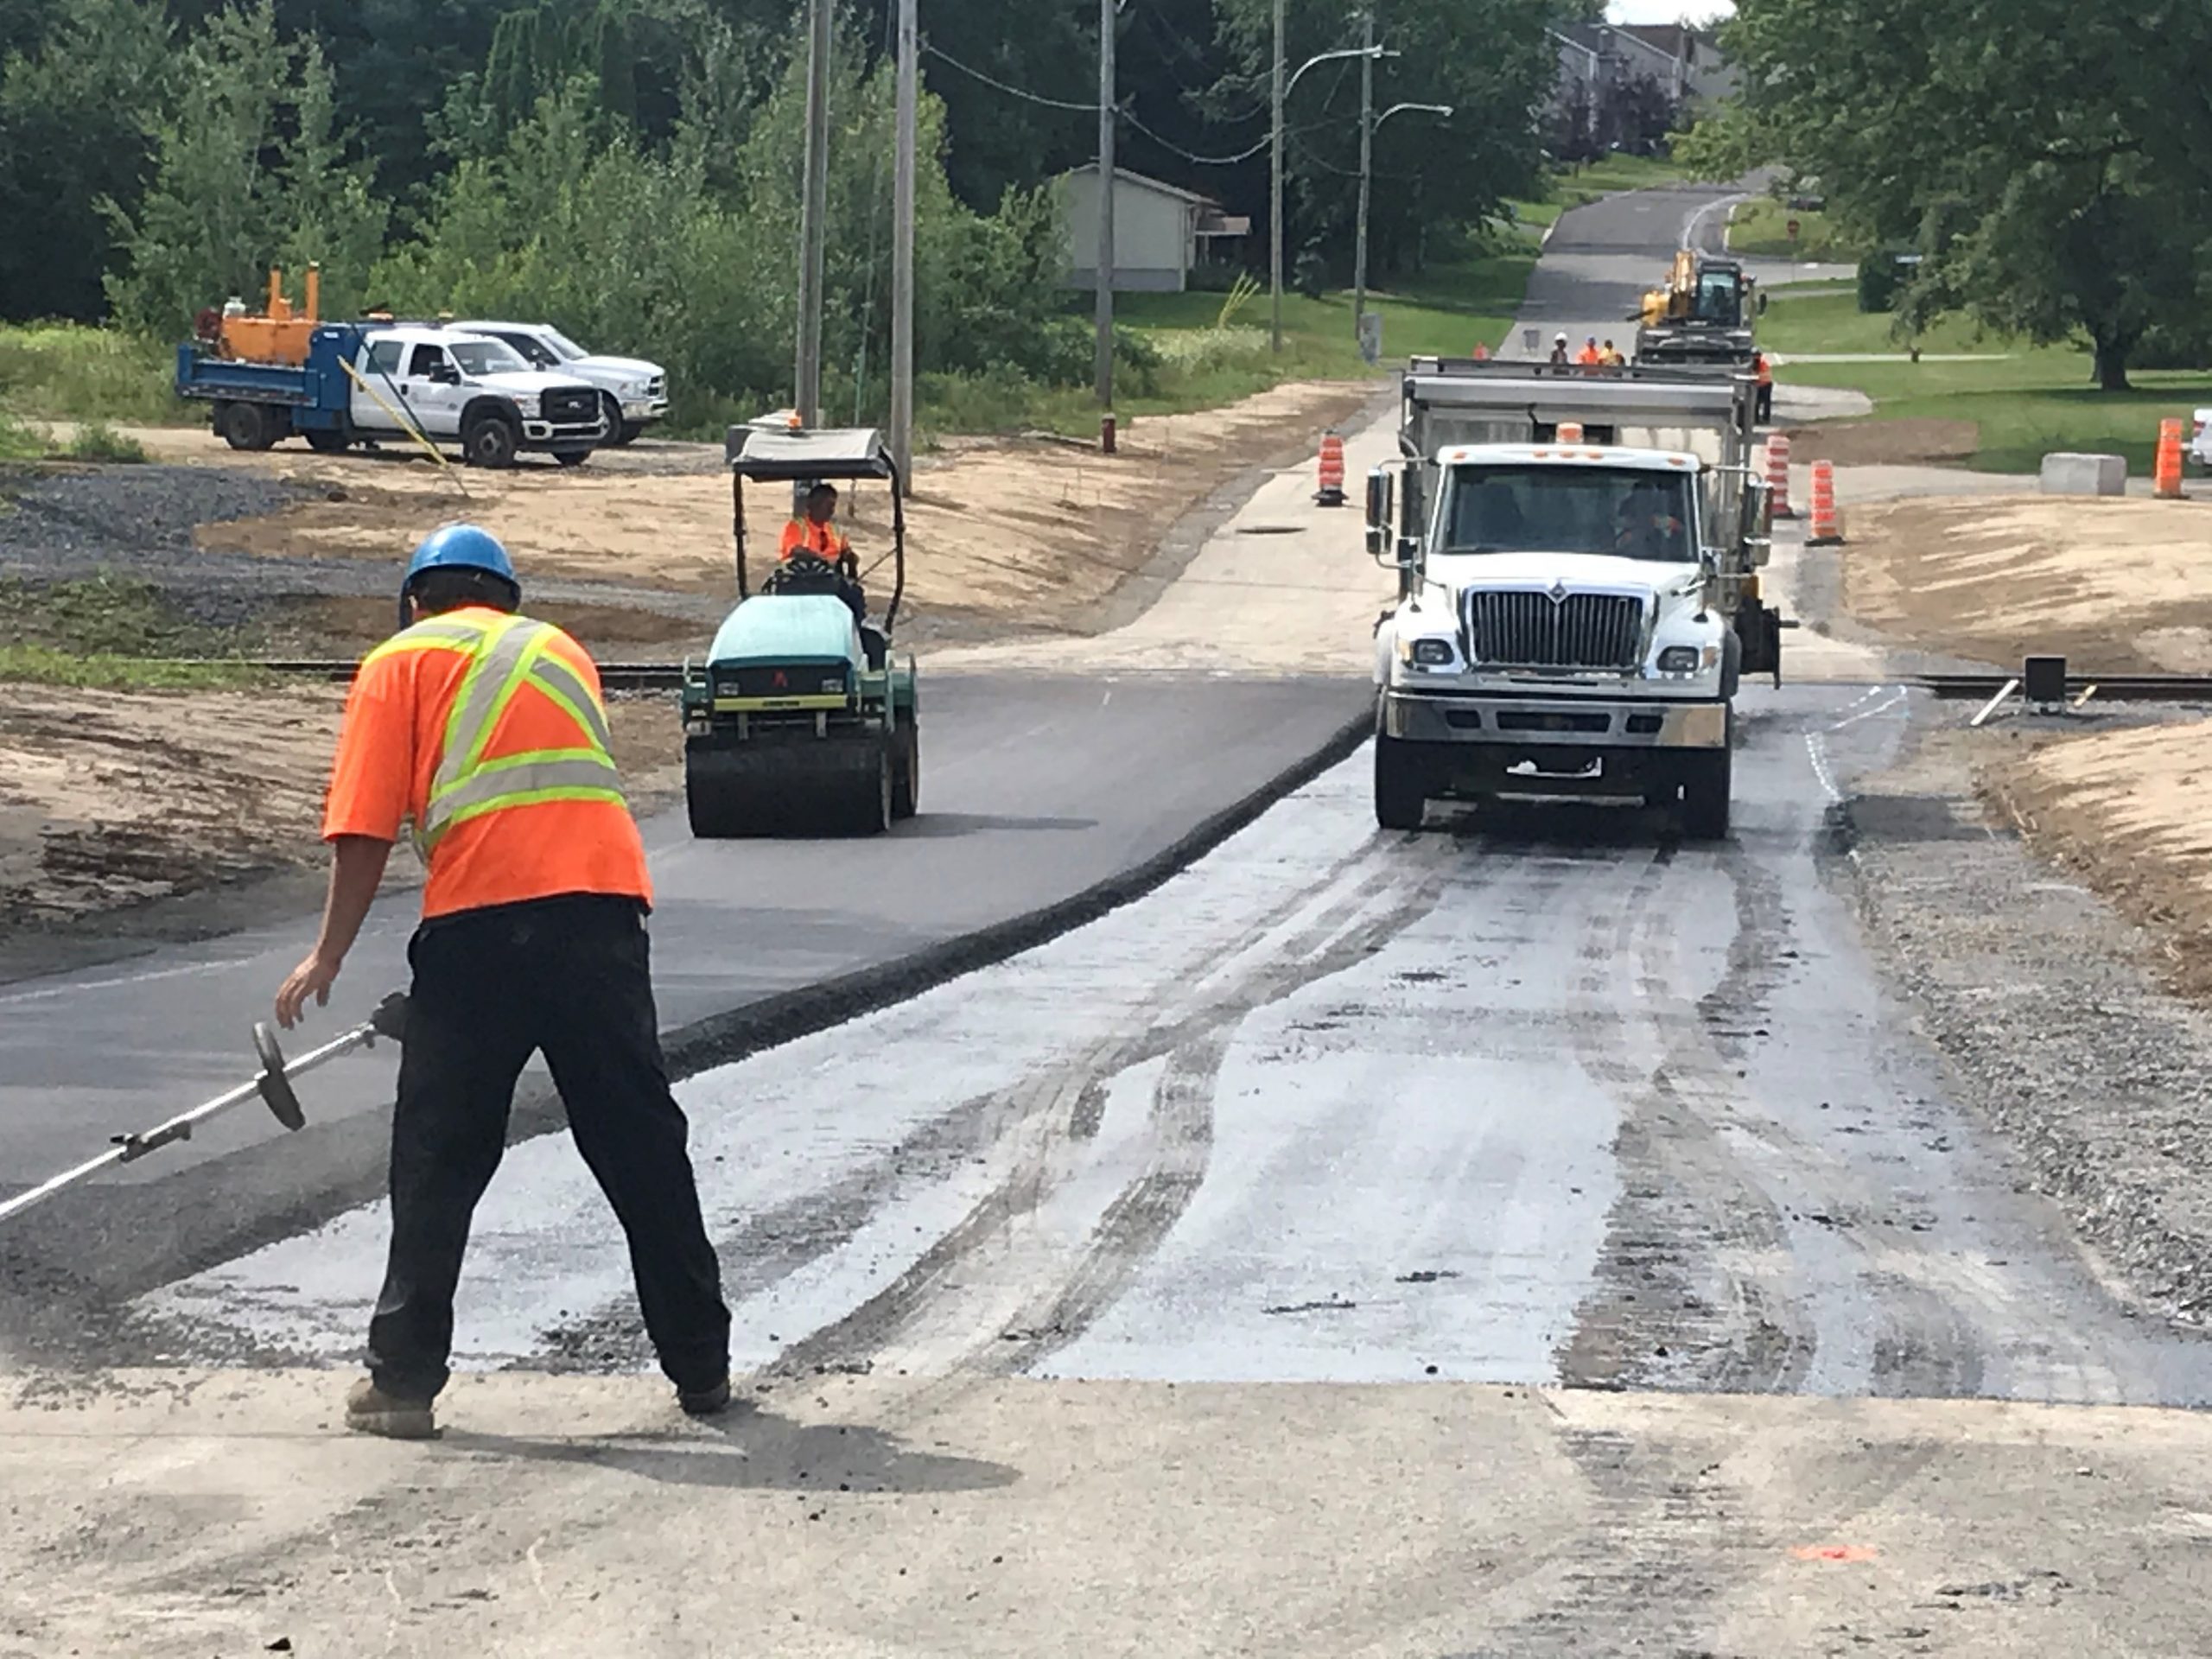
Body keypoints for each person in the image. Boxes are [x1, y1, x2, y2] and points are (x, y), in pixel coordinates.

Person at [275, 523, 732, 1440]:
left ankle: (403, 1382)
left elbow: (363, 826)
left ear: (415, 600)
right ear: (506, 599)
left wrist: (328, 954)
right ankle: (703, 1367)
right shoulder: (561, 653)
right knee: (640, 1145)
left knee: (438, 1156)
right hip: (602, 920)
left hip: (480, 924)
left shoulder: (399, 661)